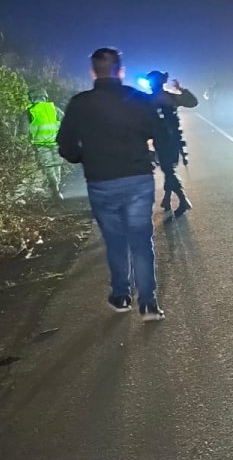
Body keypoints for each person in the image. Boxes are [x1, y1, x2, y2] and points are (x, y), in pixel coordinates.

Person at [56, 48, 164, 321]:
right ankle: (149, 304)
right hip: (138, 178)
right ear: (121, 70)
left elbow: (66, 145)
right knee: (141, 241)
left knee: (115, 241)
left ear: (93, 71)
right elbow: (156, 131)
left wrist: (84, 157)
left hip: (101, 180)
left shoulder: (80, 103)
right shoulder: (137, 99)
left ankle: (121, 296)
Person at [145, 70, 198, 216]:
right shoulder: (170, 97)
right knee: (169, 169)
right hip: (172, 139)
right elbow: (192, 102)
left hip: (164, 140)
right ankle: (167, 198)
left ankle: (183, 199)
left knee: (168, 169)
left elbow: (193, 102)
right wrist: (179, 89)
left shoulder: (150, 99)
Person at [25, 89, 65, 201]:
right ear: (45, 97)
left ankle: (55, 190)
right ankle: (57, 191)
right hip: (56, 142)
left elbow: (23, 129)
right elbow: (65, 120)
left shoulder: (30, 110)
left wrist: (25, 141)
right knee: (57, 166)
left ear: (32, 98)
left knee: (48, 167)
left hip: (41, 144)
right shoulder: (54, 108)